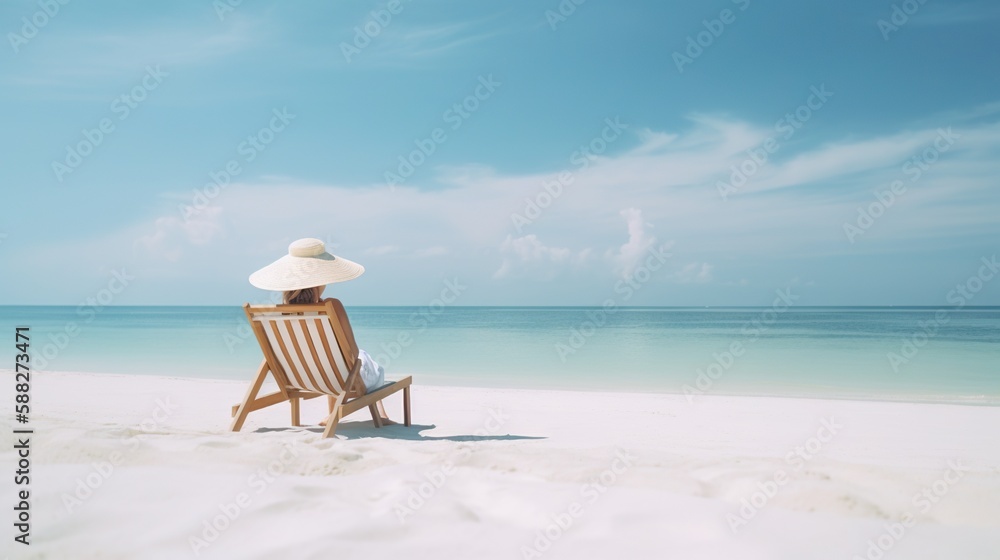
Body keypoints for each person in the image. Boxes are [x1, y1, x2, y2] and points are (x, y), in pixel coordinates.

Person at [248, 237, 392, 424]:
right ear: (321, 280)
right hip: (341, 379)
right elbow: (352, 353)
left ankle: (334, 414)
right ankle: (380, 415)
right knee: (361, 359)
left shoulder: (279, 313)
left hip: (302, 379)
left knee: (336, 363)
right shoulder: (332, 305)